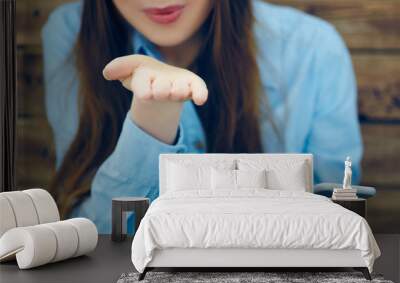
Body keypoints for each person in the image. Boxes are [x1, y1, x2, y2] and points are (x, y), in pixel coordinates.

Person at [42, 0, 362, 233]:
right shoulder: (71, 32)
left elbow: (336, 219)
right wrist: (153, 117)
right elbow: (87, 232)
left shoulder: (312, 49)